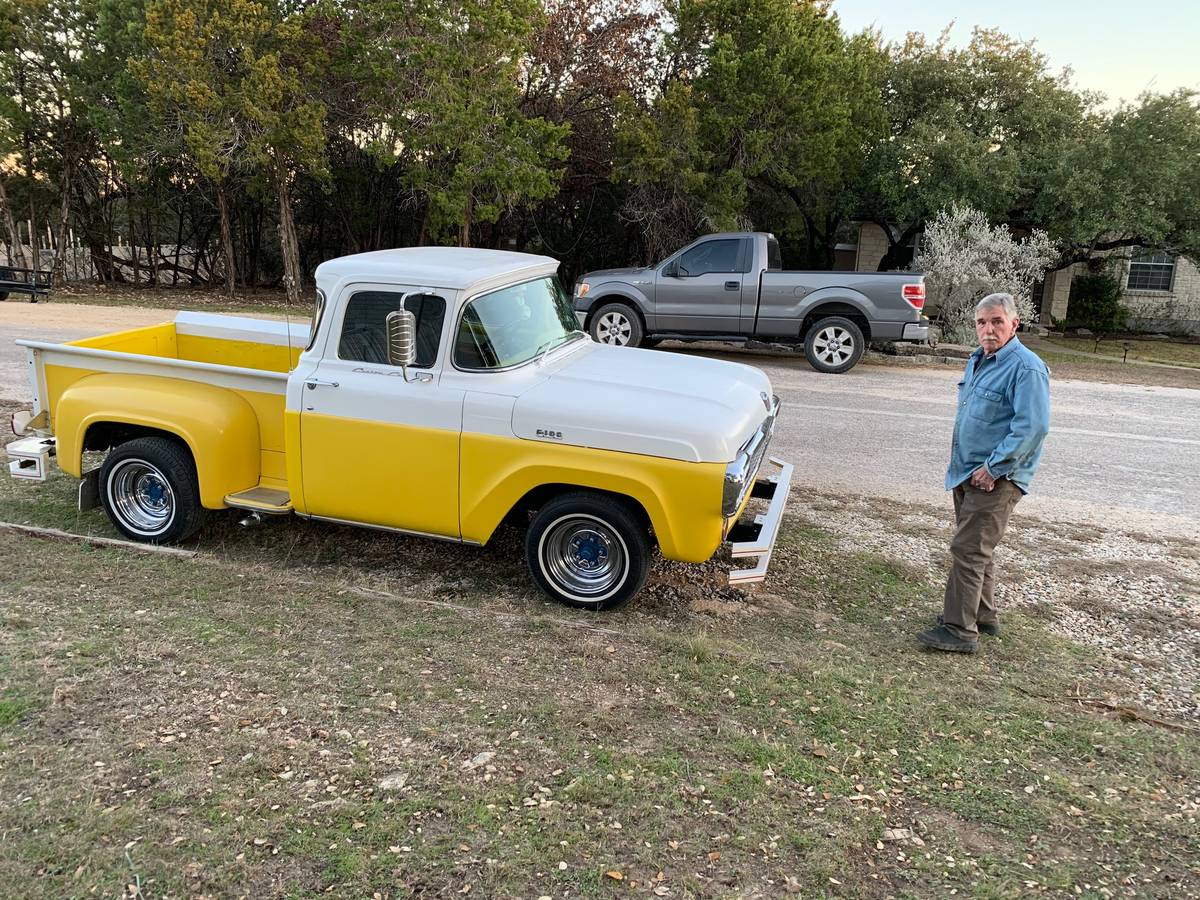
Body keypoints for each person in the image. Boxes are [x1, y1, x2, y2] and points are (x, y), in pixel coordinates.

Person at [917, 293, 1051, 654]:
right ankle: (983, 615)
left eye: (996, 322)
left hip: (997, 477)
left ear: (1014, 323)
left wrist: (994, 468)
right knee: (979, 550)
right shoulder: (979, 360)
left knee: (967, 550)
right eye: (981, 322)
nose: (988, 329)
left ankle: (959, 631)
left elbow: (1033, 428)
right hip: (968, 473)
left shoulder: (1027, 367)